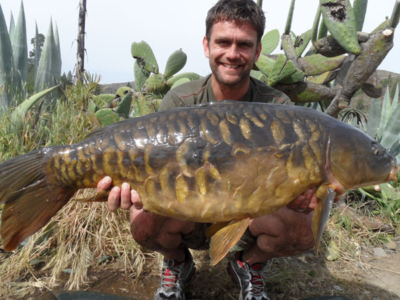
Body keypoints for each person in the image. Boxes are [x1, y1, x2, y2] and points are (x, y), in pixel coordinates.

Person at [97, 1, 320, 299]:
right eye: (223, 42)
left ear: (257, 52)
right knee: (142, 223)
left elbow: (289, 180)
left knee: (305, 231)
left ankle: (248, 263)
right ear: (206, 45)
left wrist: (300, 200)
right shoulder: (179, 102)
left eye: (244, 45)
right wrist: (132, 189)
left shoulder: (277, 108)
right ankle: (178, 262)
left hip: (249, 214)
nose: (232, 53)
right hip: (189, 211)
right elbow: (154, 169)